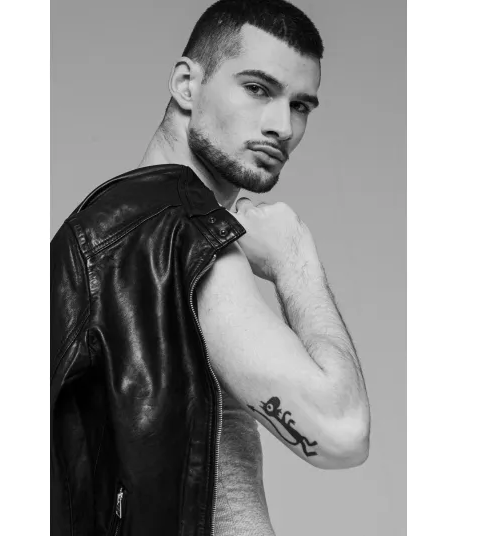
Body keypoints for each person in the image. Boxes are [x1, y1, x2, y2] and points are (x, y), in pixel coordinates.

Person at [50, 1, 371, 535]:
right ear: (186, 85)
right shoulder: (181, 232)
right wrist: (295, 260)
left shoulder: (95, 234)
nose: (282, 127)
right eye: (258, 88)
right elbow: (340, 433)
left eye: (300, 106)